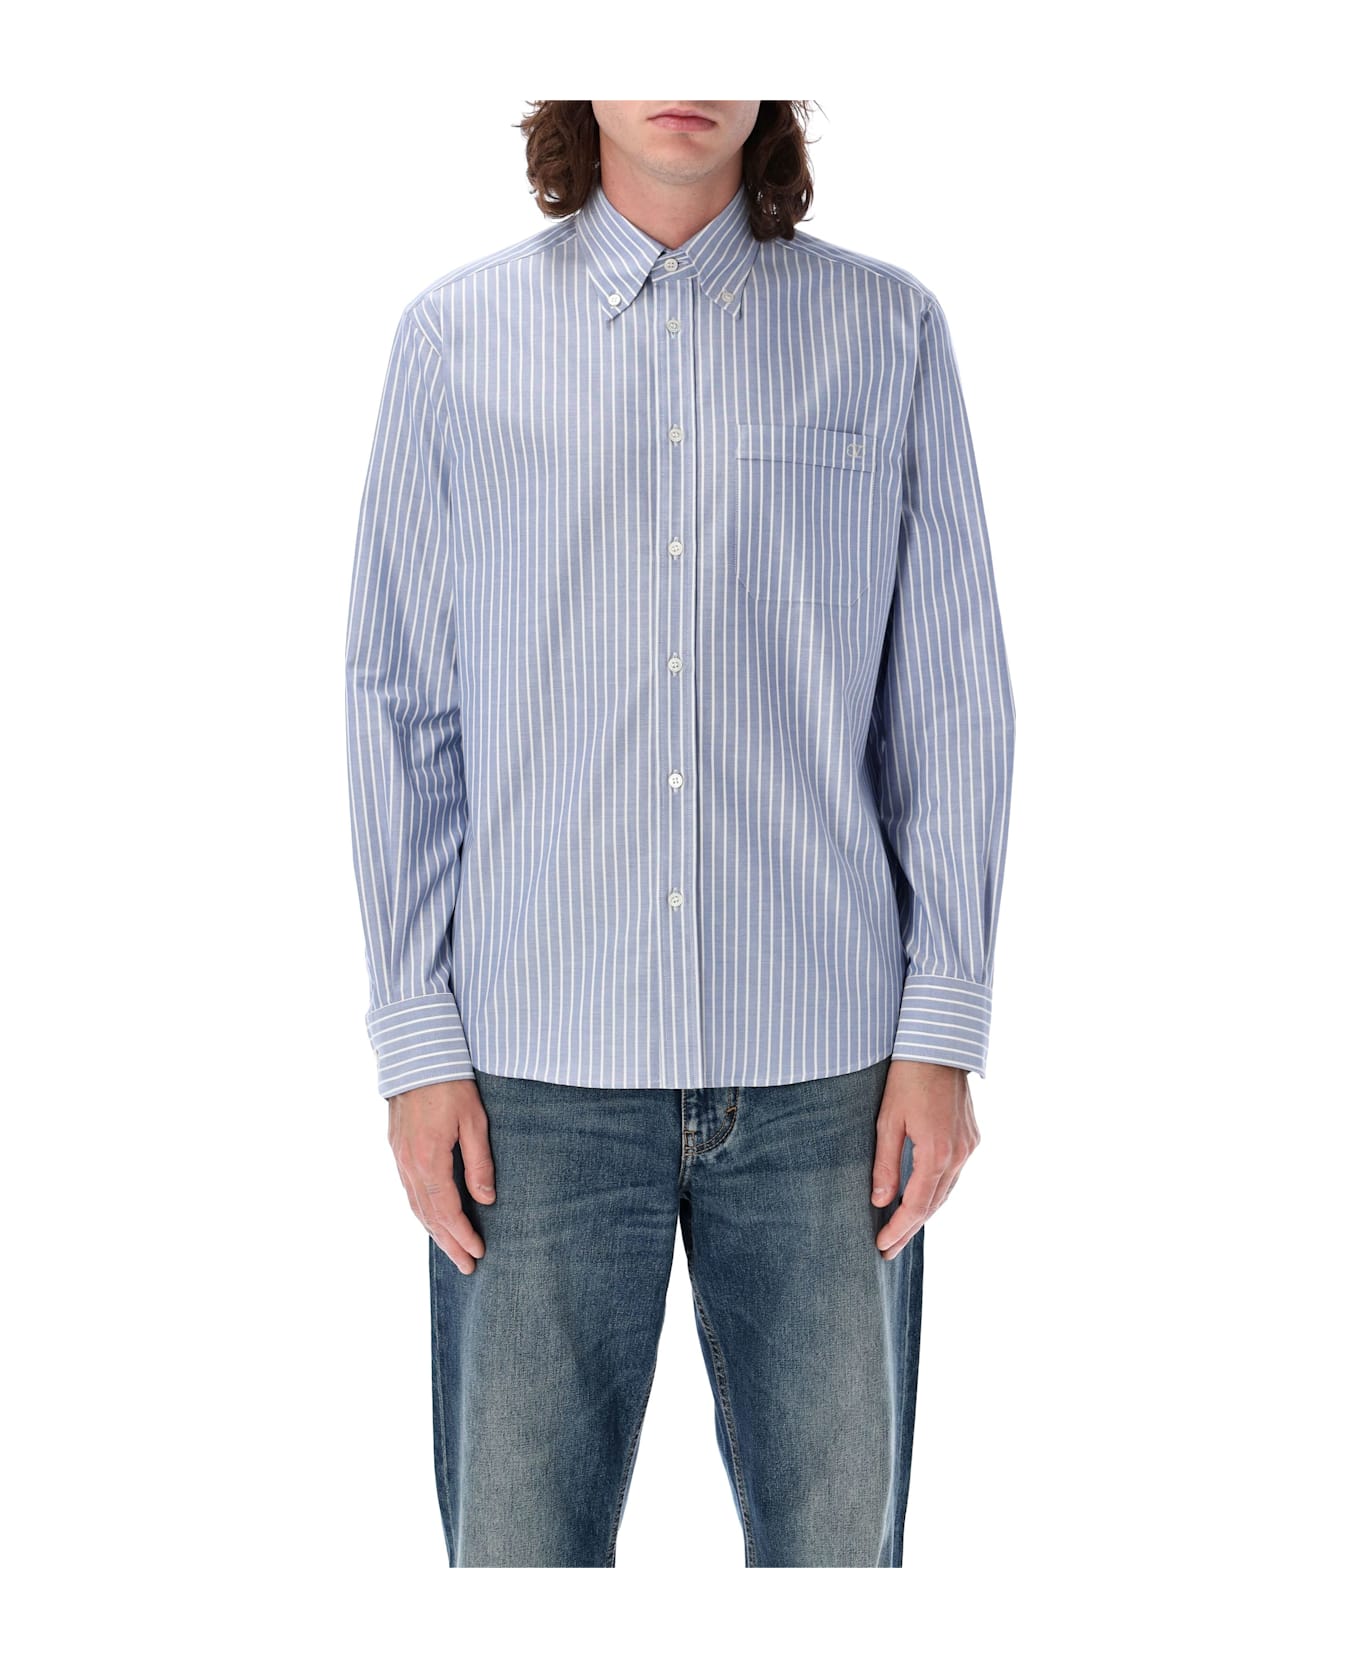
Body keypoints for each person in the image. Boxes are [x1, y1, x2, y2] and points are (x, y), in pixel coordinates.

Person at [344, 99, 1016, 1568]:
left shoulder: (887, 335)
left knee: (837, 1571)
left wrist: (942, 1027)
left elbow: (952, 697)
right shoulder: (455, 343)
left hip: (830, 1080)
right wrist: (415, 1043)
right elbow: (400, 704)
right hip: (531, 1082)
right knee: (517, 1569)